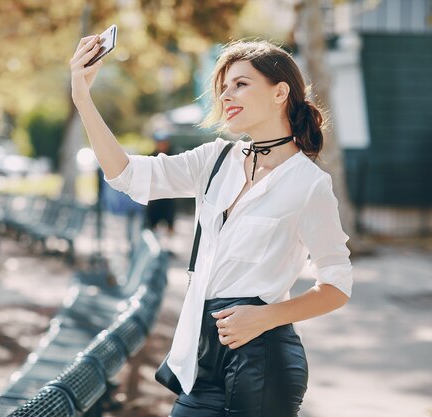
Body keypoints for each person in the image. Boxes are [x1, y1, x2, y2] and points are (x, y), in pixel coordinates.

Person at [71, 37, 352, 417]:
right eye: (223, 88)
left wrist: (266, 315)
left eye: (240, 84)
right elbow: (126, 174)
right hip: (199, 360)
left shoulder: (309, 183)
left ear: (279, 92)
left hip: (262, 360)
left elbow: (337, 286)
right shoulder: (216, 160)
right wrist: (82, 98)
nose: (226, 96)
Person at [144, 132, 177, 237]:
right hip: (154, 198)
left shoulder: (175, 157)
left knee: (170, 225)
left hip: (169, 198)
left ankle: (168, 248)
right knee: (151, 225)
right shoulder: (151, 157)